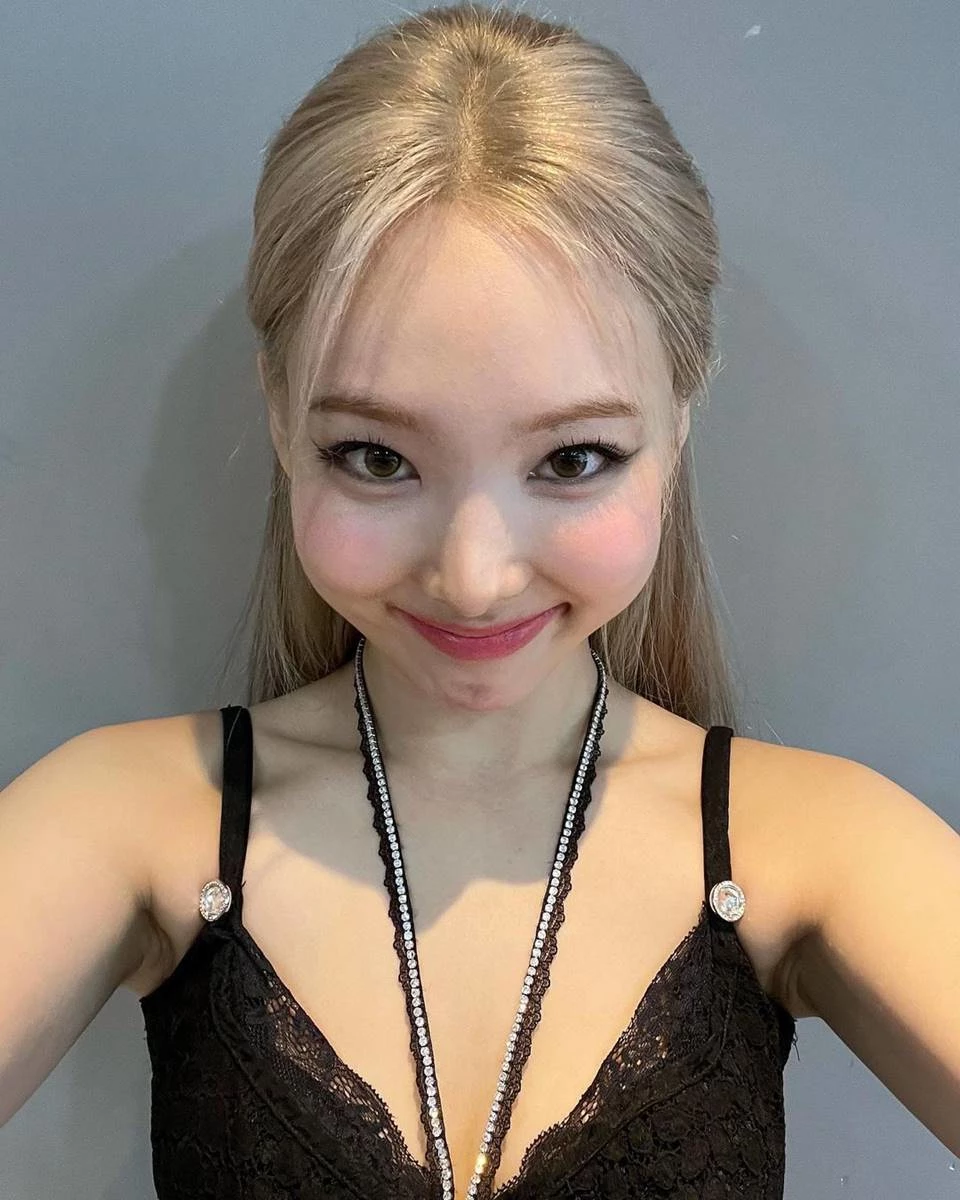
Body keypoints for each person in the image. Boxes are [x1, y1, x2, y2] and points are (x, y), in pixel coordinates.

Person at [1, 4, 958, 1198]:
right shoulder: (127, 820)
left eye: (573, 460)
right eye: (375, 457)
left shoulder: (820, 845)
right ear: (280, 418)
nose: (473, 574)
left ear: (680, 418)